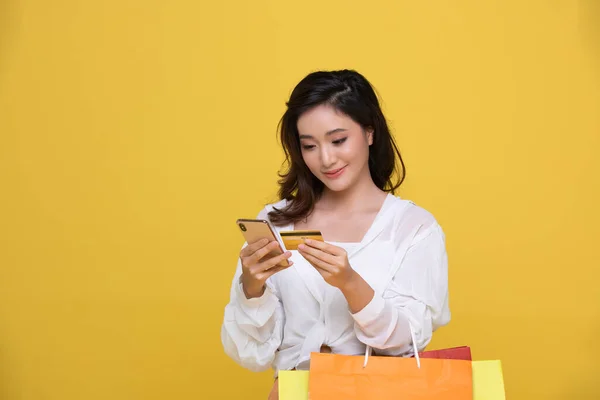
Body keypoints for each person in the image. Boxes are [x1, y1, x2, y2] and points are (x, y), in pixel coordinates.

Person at [220, 69, 450, 399]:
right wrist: (251, 288)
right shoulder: (275, 221)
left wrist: (350, 283)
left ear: (369, 132)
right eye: (309, 146)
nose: (326, 159)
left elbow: (409, 342)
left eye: (338, 140)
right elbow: (251, 354)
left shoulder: (413, 228)